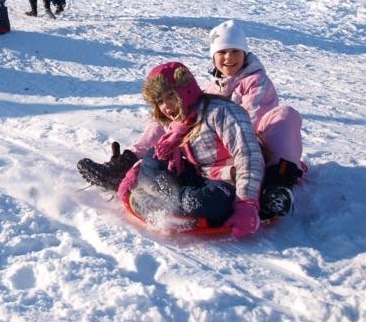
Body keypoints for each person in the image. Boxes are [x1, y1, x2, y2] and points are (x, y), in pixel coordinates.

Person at [77, 61, 293, 237]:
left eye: (171, 96)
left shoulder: (222, 113)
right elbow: (156, 158)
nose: (167, 106)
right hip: (196, 176)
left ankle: (169, 201)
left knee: (207, 203)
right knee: (155, 155)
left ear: (186, 90)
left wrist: (247, 204)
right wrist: (130, 179)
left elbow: (249, 157)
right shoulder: (179, 123)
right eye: (160, 101)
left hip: (227, 183)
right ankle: (160, 195)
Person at [204, 20, 306, 198]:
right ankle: (141, 155)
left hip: (259, 147)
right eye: (222, 52)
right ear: (213, 57)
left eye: (235, 51)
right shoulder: (209, 89)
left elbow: (251, 118)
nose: (229, 57)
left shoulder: (256, 81)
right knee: (178, 107)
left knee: (286, 115)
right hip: (220, 155)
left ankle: (278, 183)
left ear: (245, 53)